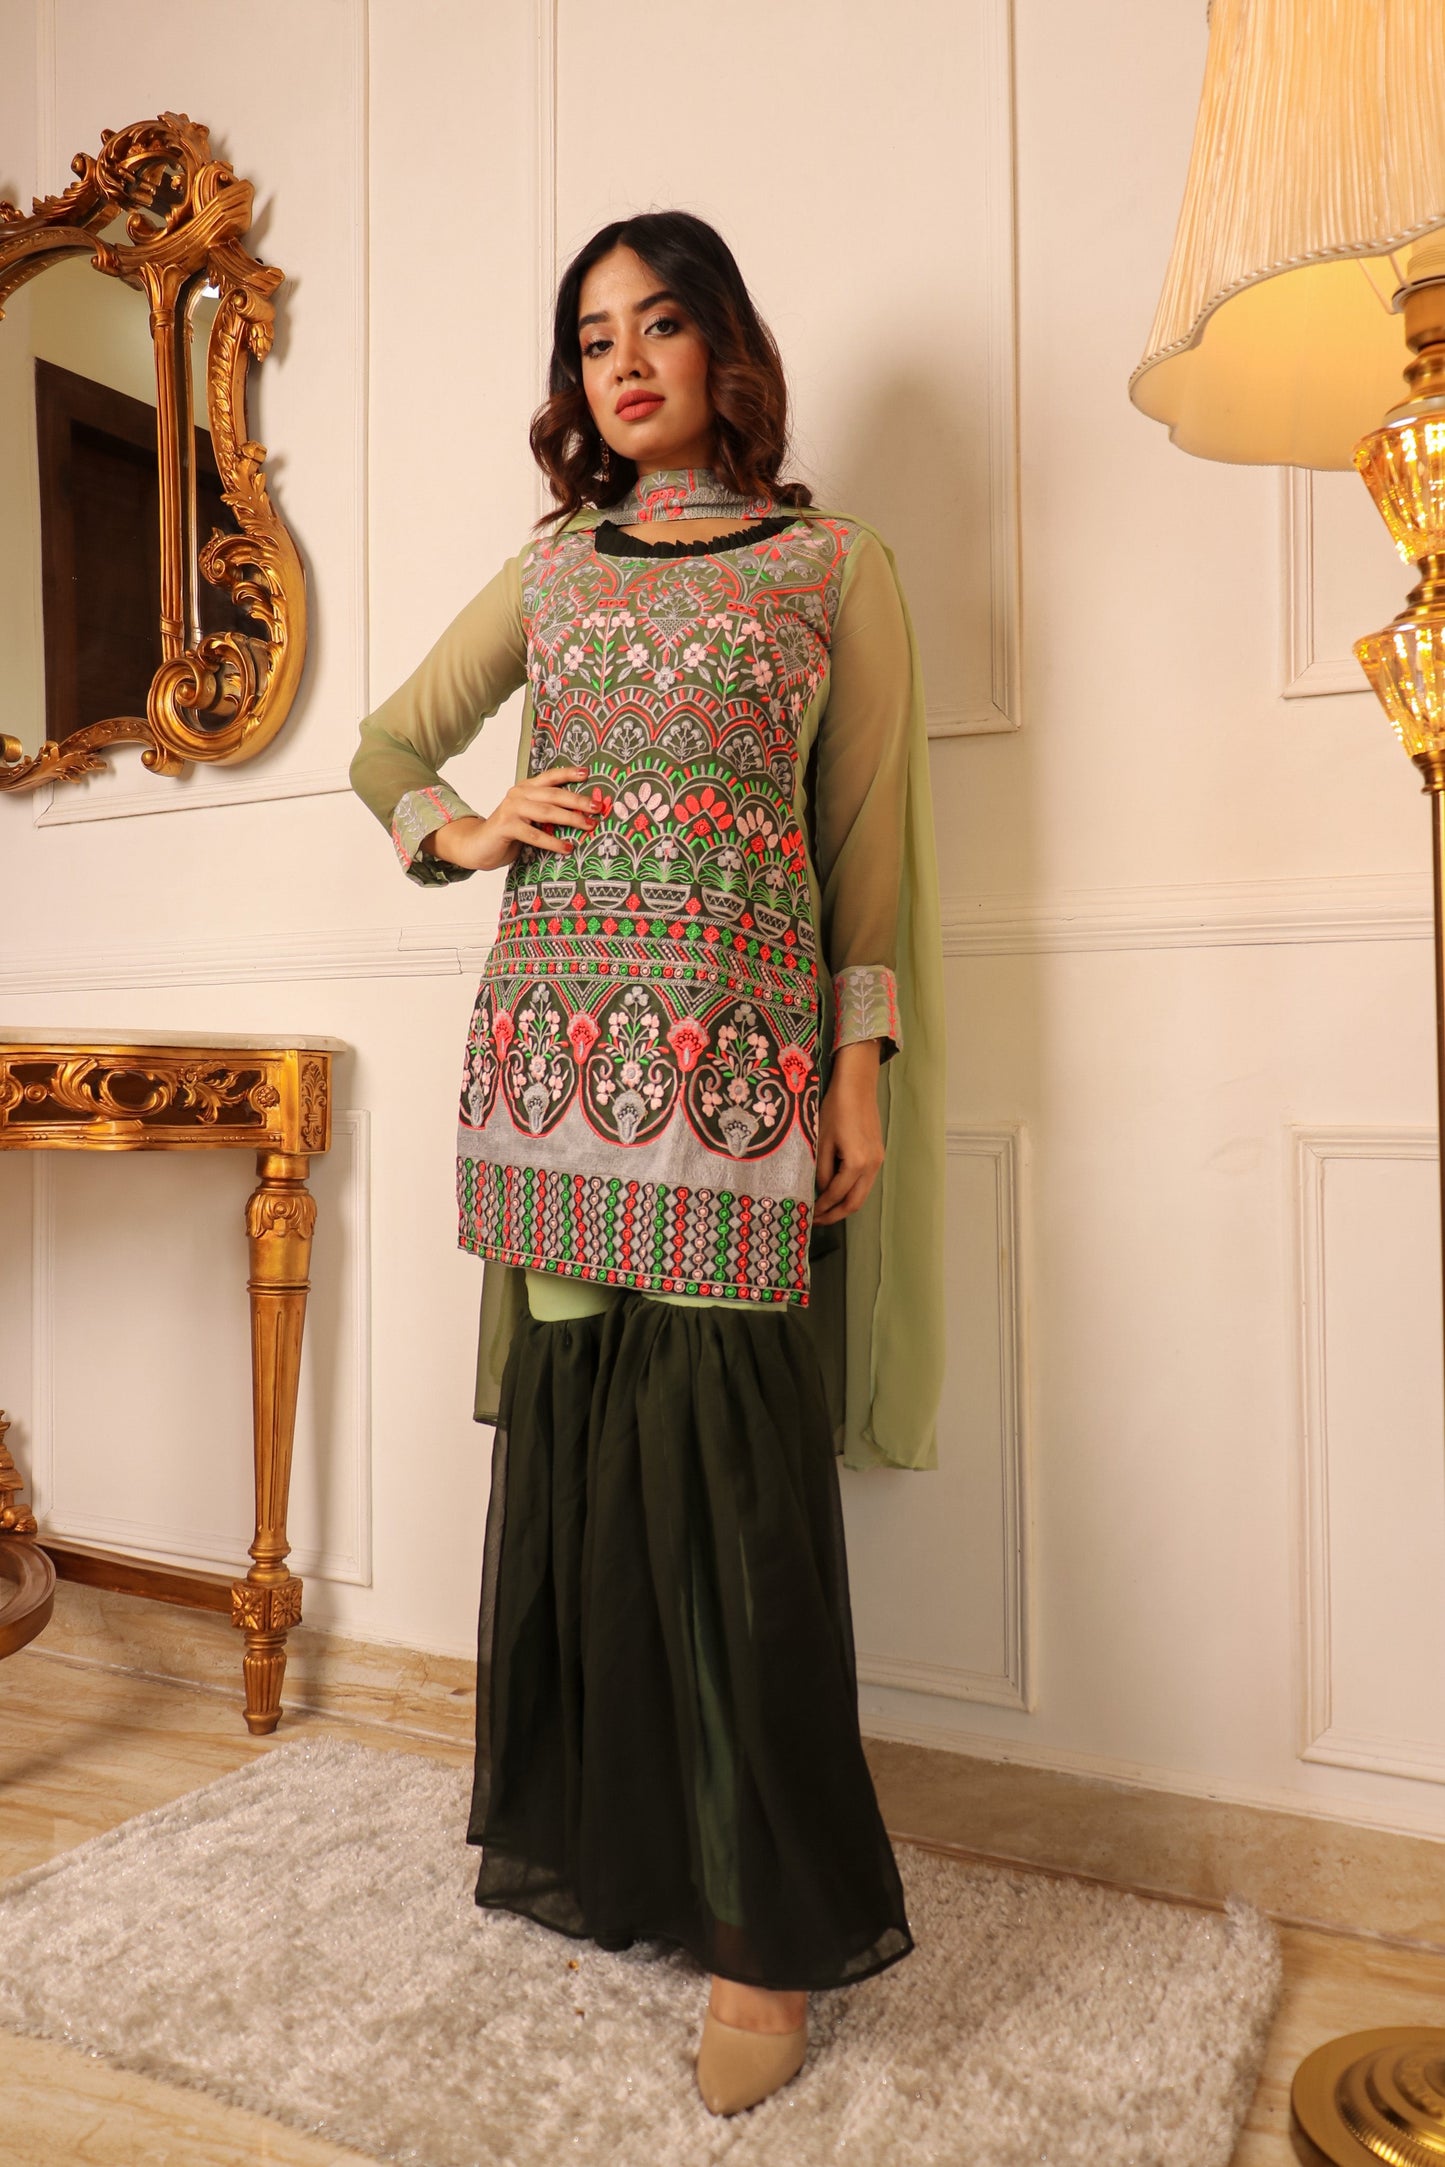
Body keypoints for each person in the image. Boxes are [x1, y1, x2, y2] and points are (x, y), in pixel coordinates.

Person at [350, 209, 946, 2118]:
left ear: (722, 349)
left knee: (740, 1509)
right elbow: (387, 750)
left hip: (736, 1084)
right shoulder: (551, 568)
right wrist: (464, 830)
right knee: (592, 1483)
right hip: (551, 1075)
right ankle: (625, 1859)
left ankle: (766, 1941)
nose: (623, 361)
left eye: (659, 323)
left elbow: (866, 848)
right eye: (593, 335)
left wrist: (858, 1074)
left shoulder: (832, 566)